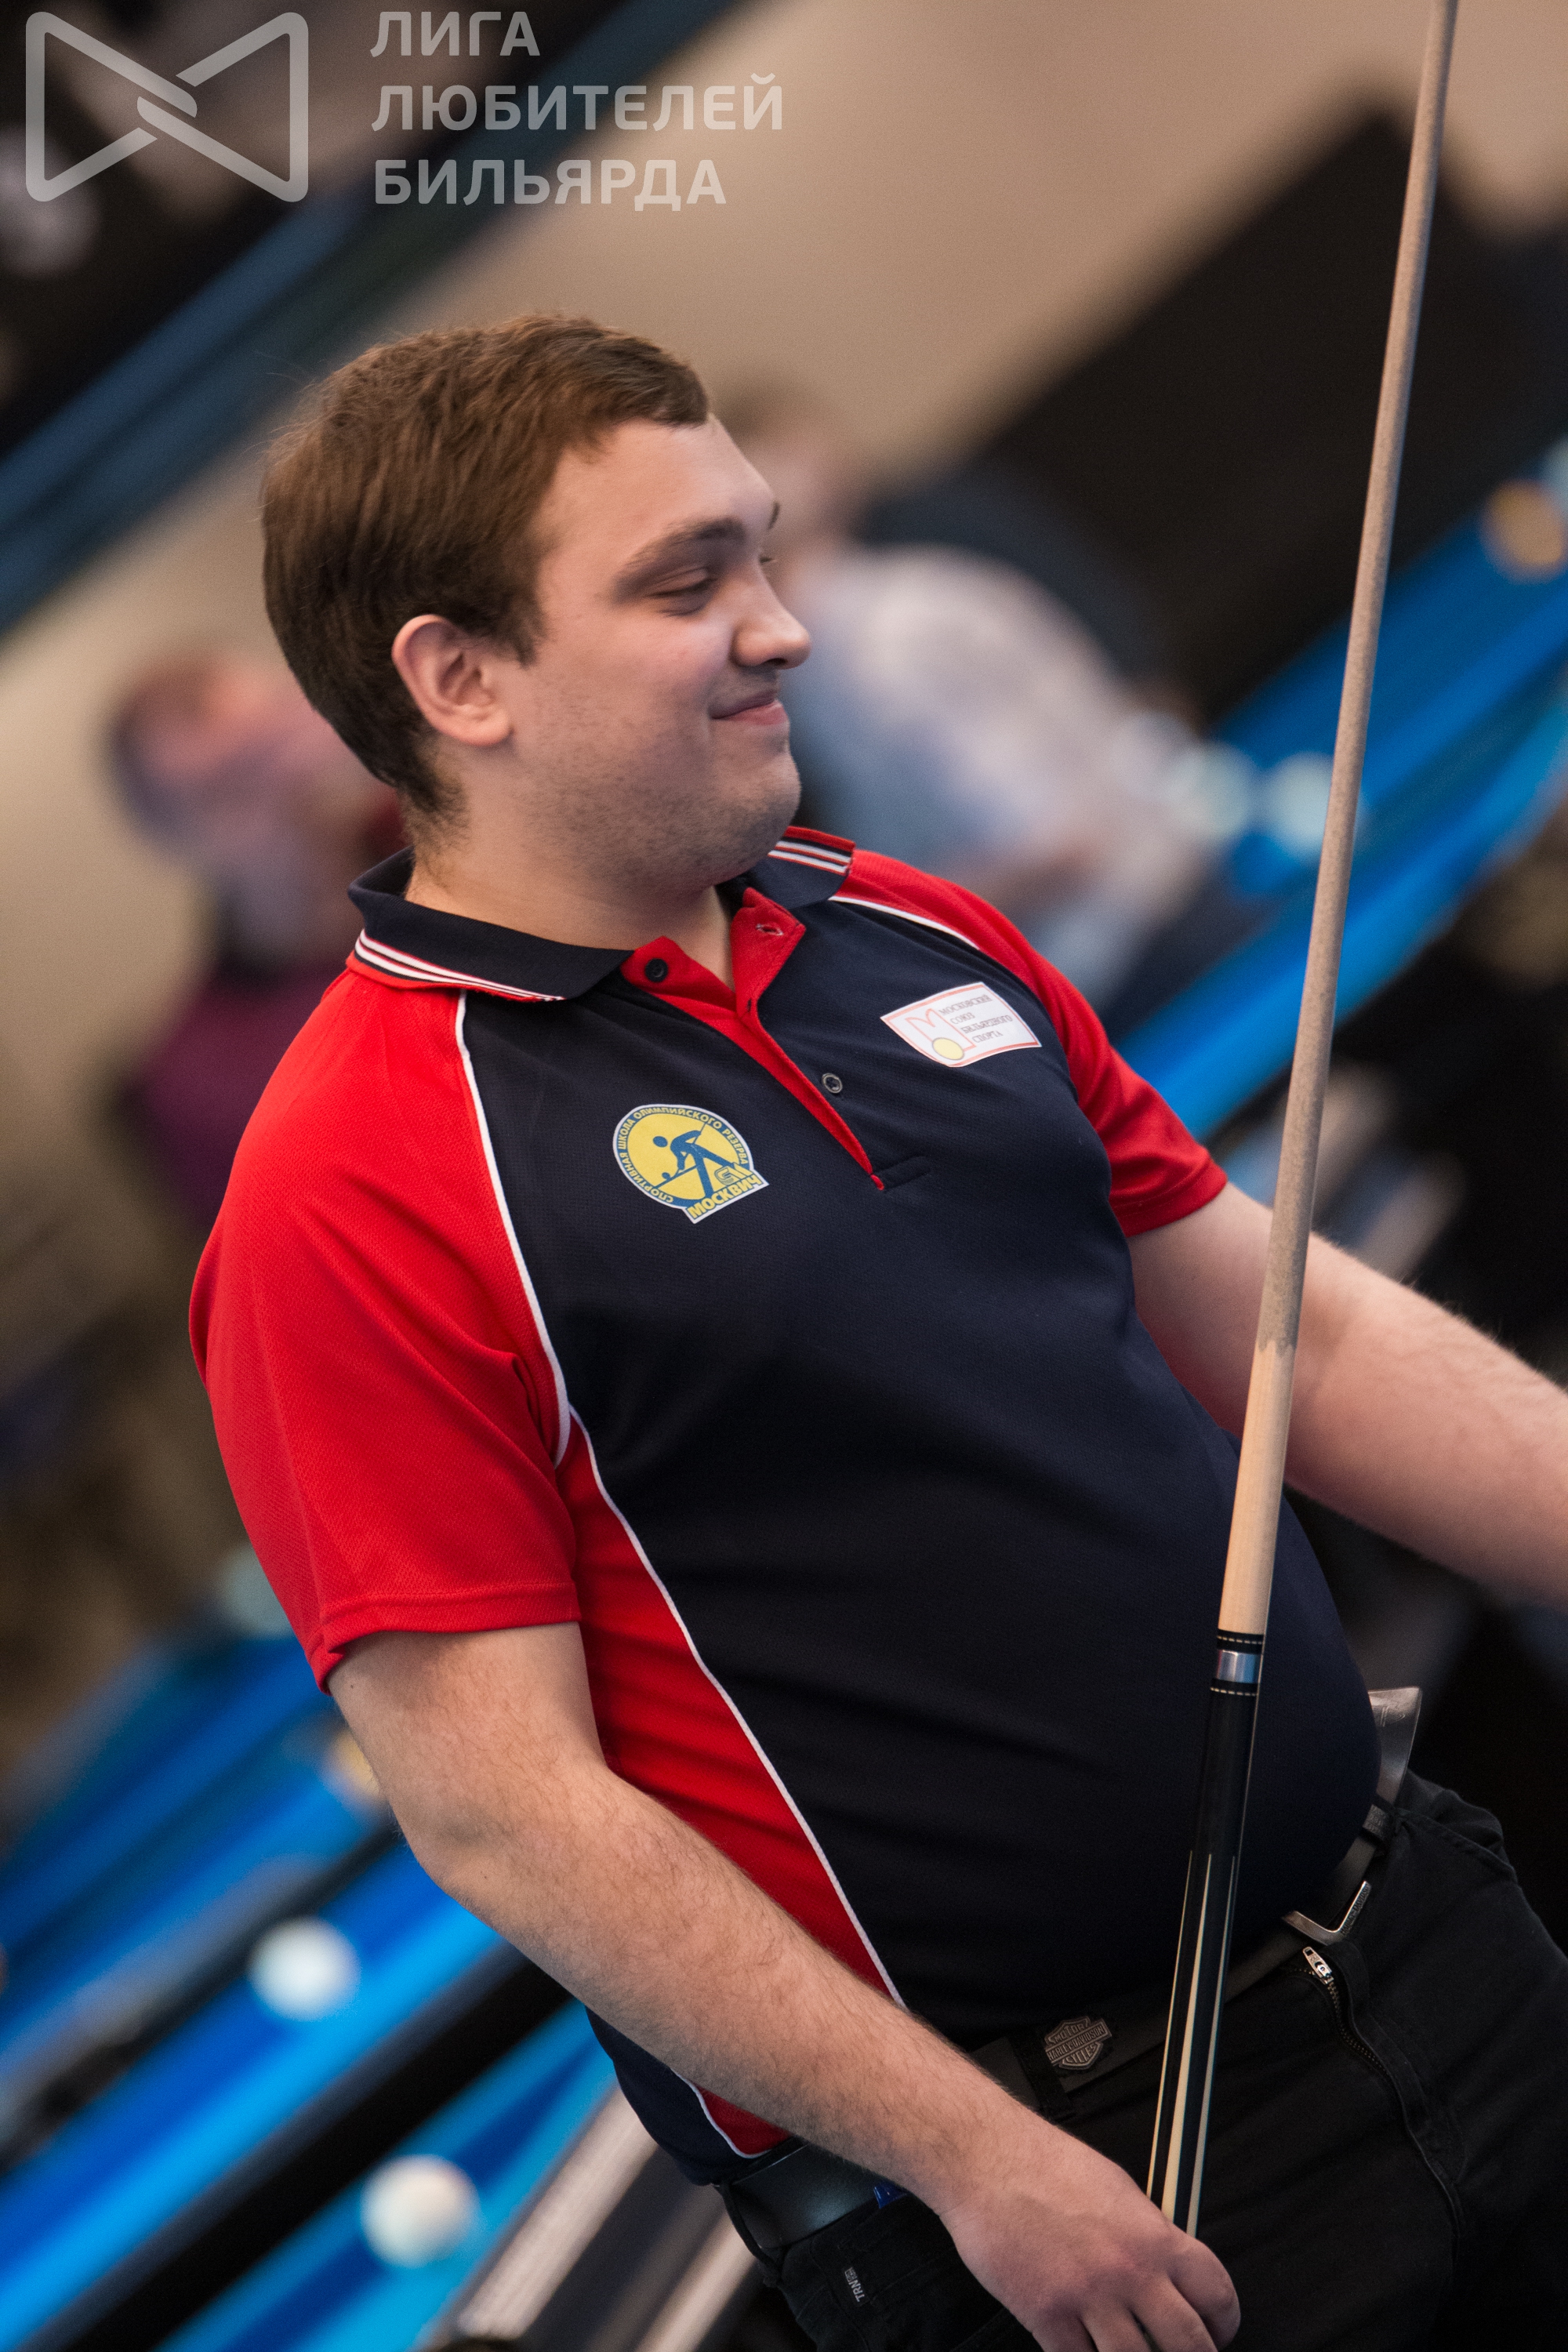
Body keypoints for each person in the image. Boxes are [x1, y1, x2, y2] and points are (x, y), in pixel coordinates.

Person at [191, 317, 1568, 2351]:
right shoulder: (351, 1186)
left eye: (756, 550)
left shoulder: (909, 927)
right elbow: (503, 1807)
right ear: (459, 679)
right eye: (687, 583)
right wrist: (975, 2160)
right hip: (1094, 2183)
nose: (782, 625)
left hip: (1435, 1939)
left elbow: (1302, 1343)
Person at [720, 389, 1263, 1028]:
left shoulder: (877, 656)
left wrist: (890, 927)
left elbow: (1052, 843)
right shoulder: (867, 632)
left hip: (1155, 958)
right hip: (1157, 931)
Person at [110, 652, 401, 1227]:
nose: (281, 796)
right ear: (171, 838)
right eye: (231, 793)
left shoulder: (462, 836)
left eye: (273, 747)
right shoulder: (201, 1083)